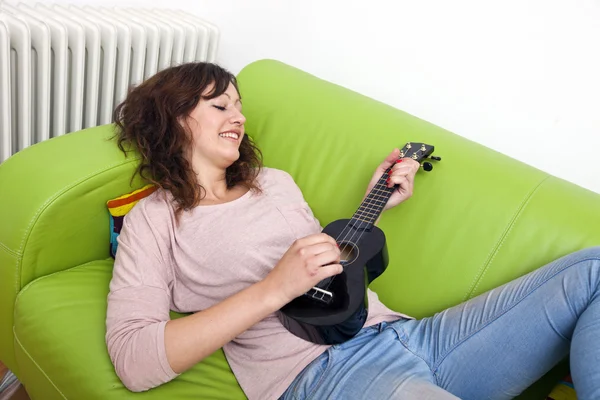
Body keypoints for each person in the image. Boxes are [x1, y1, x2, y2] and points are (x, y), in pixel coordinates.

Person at [106, 62, 600, 400]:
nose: (239, 117)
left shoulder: (273, 183)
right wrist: (272, 289)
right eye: (220, 107)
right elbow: (135, 360)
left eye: (239, 106)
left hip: (414, 336)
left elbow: (325, 278)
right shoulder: (155, 219)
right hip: (326, 372)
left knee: (594, 268)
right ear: (173, 118)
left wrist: (375, 203)